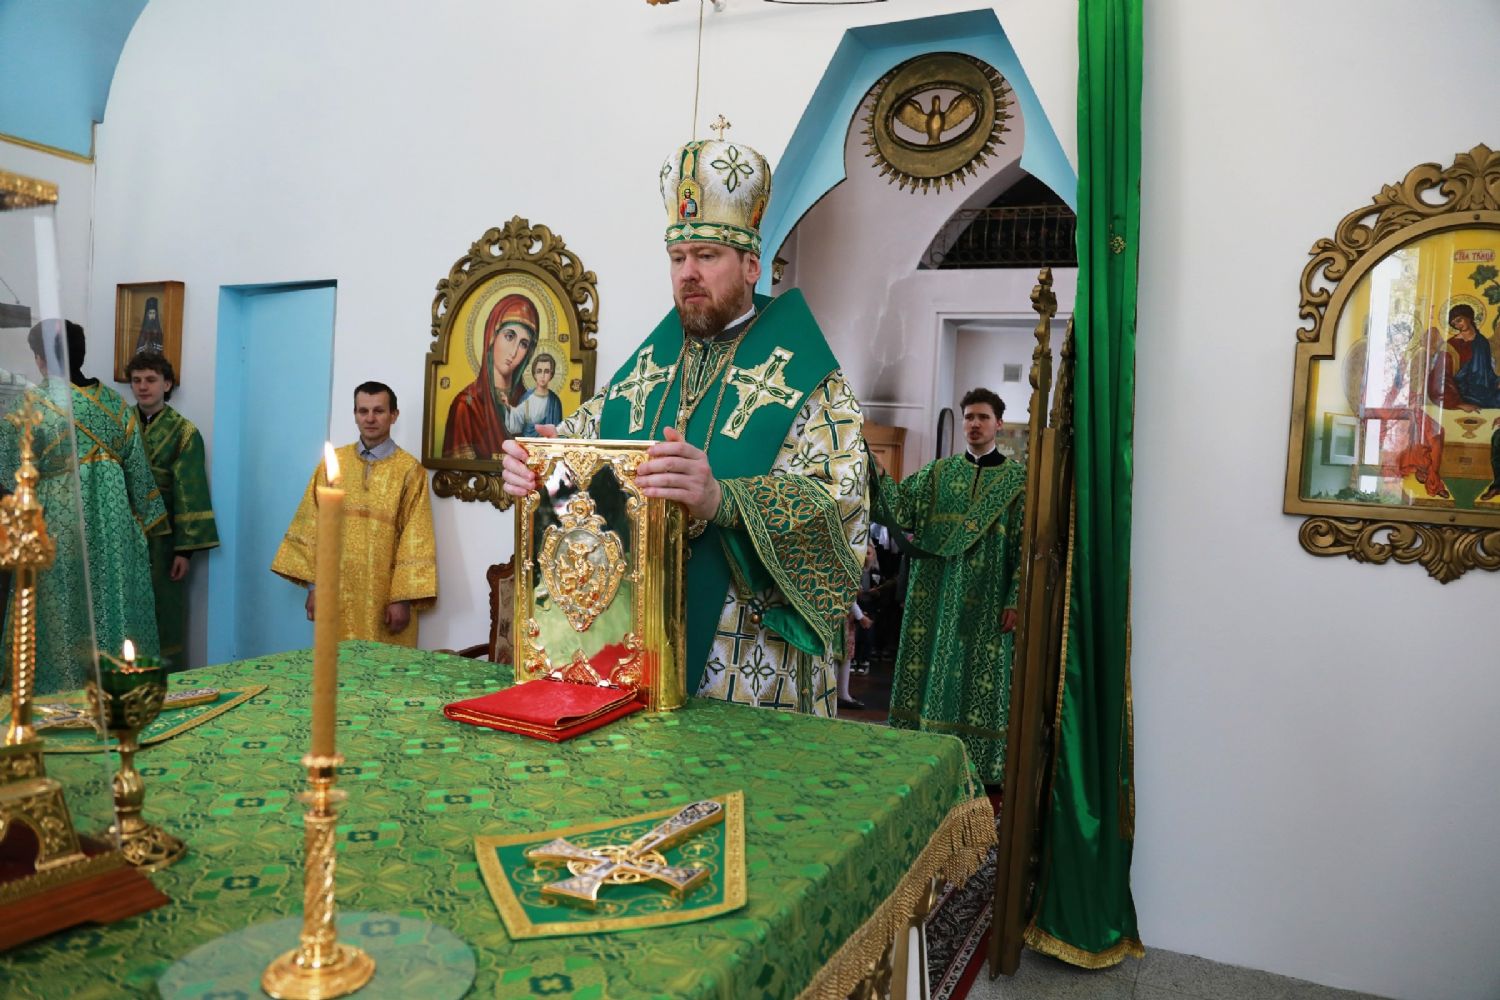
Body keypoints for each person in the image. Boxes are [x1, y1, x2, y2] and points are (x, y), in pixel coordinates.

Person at [501, 137, 867, 716]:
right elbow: (576, 459)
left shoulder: (812, 381)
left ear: (751, 266)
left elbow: (840, 509)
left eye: (707, 255)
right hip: (637, 645)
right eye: (678, 258)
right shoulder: (651, 366)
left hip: (748, 661)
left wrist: (724, 499)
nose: (688, 273)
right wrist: (539, 467)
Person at [0, 320, 167, 691]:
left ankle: (58, 692)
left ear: (41, 359)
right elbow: (142, 483)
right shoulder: (117, 406)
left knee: (60, 607)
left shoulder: (29, 406)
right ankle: (118, 689)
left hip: (54, 526)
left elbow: (9, 476)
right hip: (115, 528)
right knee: (113, 603)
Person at [875, 387, 1025, 785]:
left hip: (988, 595)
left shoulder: (1018, 482)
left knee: (981, 675)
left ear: (998, 424)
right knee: (933, 666)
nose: (974, 424)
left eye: (983, 417)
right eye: (969, 417)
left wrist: (1015, 597)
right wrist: (875, 473)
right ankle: (921, 754)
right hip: (936, 594)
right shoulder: (936, 474)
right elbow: (898, 509)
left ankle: (981, 766)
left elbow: (1024, 545)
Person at [273, 382, 437, 646]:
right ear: (355, 414)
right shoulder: (333, 464)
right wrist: (315, 588)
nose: (370, 418)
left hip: (384, 596)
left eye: (378, 411)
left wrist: (402, 599)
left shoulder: (410, 471)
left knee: (384, 666)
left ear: (393, 415)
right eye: (363, 411)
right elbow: (312, 524)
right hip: (335, 591)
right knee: (335, 663)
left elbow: (416, 537)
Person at [126, 352, 220, 666]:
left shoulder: (184, 432)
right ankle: (121, 675)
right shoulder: (119, 425)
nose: (143, 387)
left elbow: (190, 491)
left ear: (167, 384)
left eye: (150, 380)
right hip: (121, 532)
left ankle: (165, 679)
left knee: (163, 609)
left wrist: (185, 552)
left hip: (164, 541)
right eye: (137, 380)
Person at [442, 294, 538, 459]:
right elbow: (458, 470)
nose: (514, 352)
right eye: (509, 336)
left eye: (523, 344)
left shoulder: (529, 404)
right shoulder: (466, 406)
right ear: (492, 336)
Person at [512, 352, 563, 436]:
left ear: (551, 374)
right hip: (526, 441)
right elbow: (518, 425)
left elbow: (557, 431)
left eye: (546, 371)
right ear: (534, 374)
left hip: (547, 443)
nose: (542, 375)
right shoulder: (526, 398)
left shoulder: (555, 402)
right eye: (539, 371)